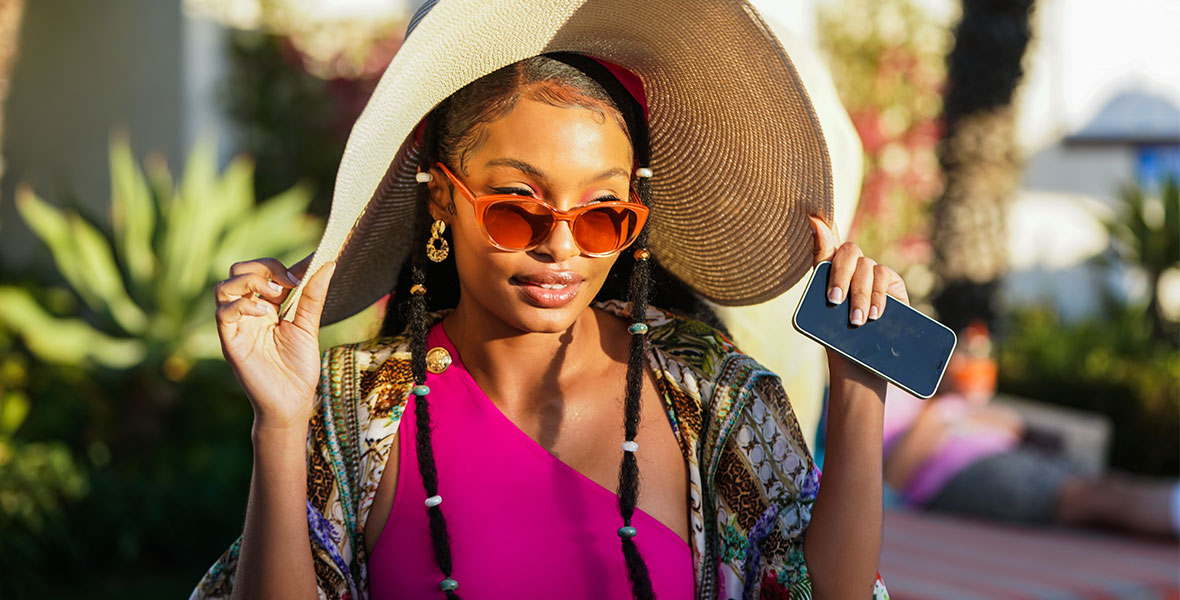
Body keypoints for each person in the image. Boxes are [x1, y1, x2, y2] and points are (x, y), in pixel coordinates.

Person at [193, 1, 904, 598]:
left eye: (602, 215)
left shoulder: (709, 397)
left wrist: (857, 393)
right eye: (517, 210)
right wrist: (280, 426)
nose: (561, 248)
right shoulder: (357, 411)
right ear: (441, 195)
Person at [883, 322, 1180, 537]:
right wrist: (940, 418)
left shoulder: (945, 399)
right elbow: (891, 483)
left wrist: (960, 407)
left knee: (1112, 487)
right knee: (1094, 498)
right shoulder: (897, 399)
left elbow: (1013, 424)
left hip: (1012, 457)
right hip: (963, 475)